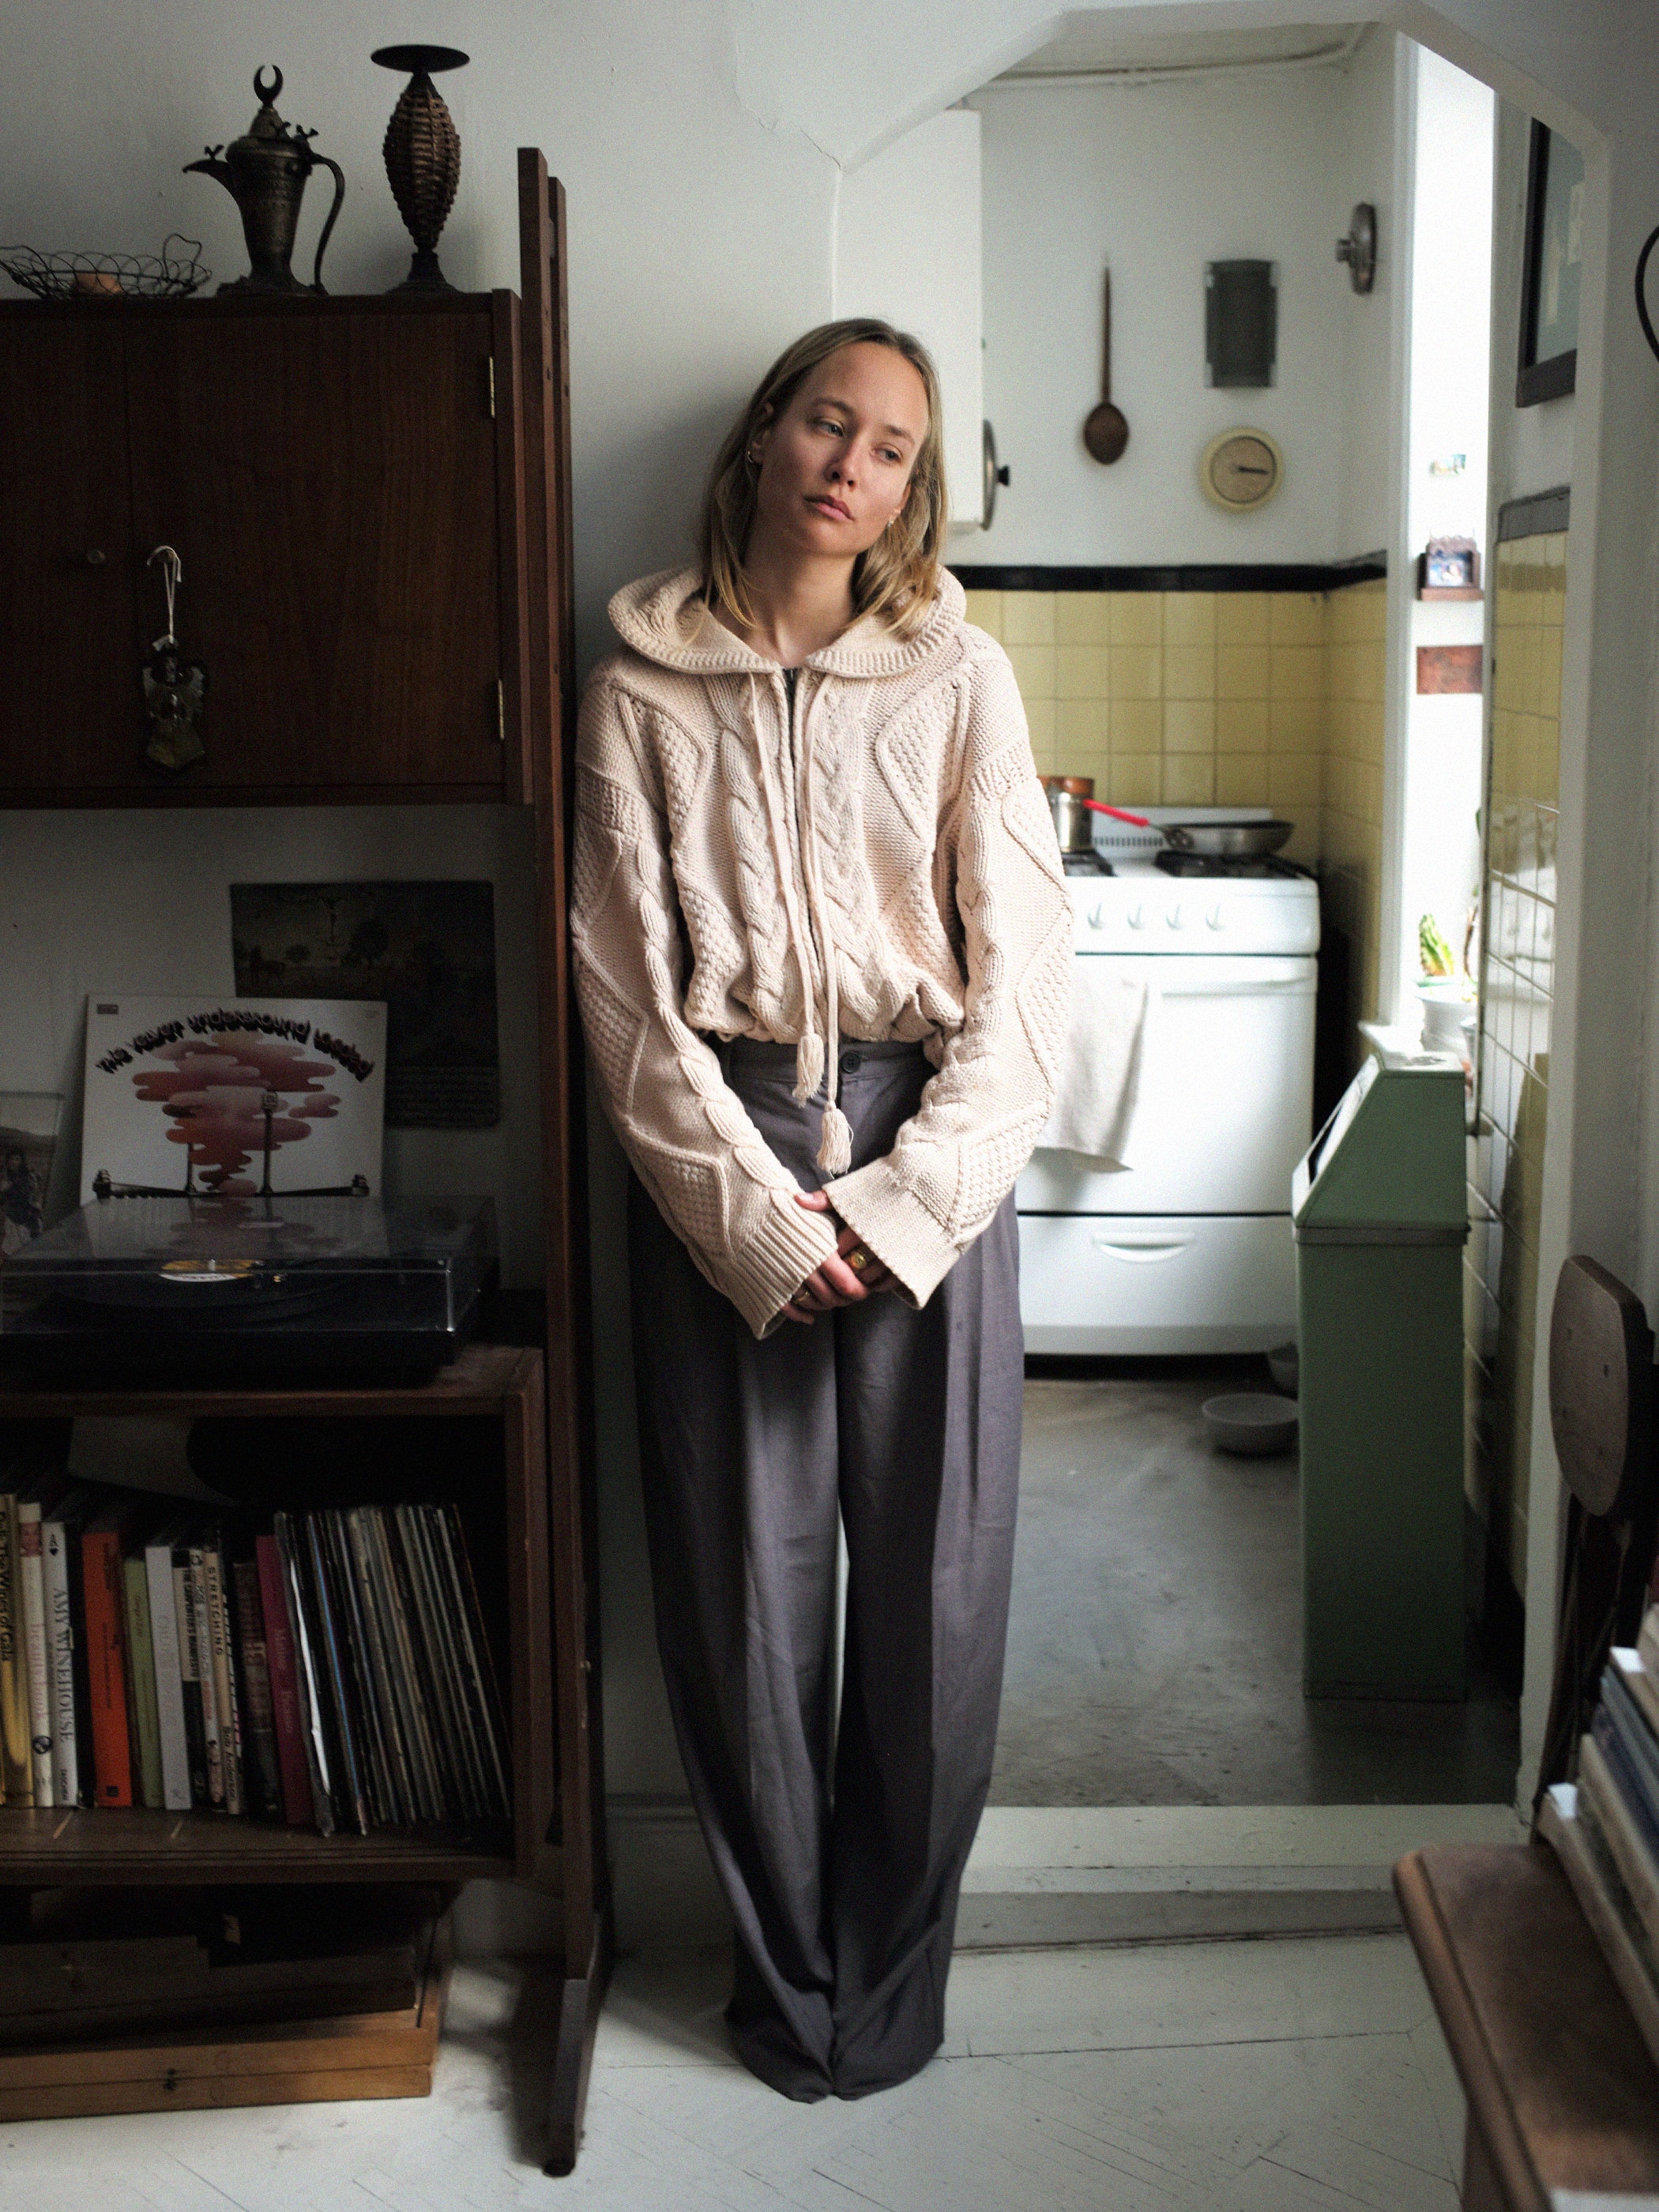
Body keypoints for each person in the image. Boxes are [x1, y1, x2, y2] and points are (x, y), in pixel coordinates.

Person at [571, 318, 1071, 2101]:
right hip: (718, 1139)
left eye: (892, 447)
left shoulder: (960, 677)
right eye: (827, 421)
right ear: (768, 434)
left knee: (937, 1599)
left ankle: (892, 1992)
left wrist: (911, 1201)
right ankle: (789, 1998)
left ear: (910, 489)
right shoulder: (635, 682)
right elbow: (622, 990)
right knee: (739, 1599)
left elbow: (1022, 987)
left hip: (923, 1130)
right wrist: (763, 1222)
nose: (852, 464)